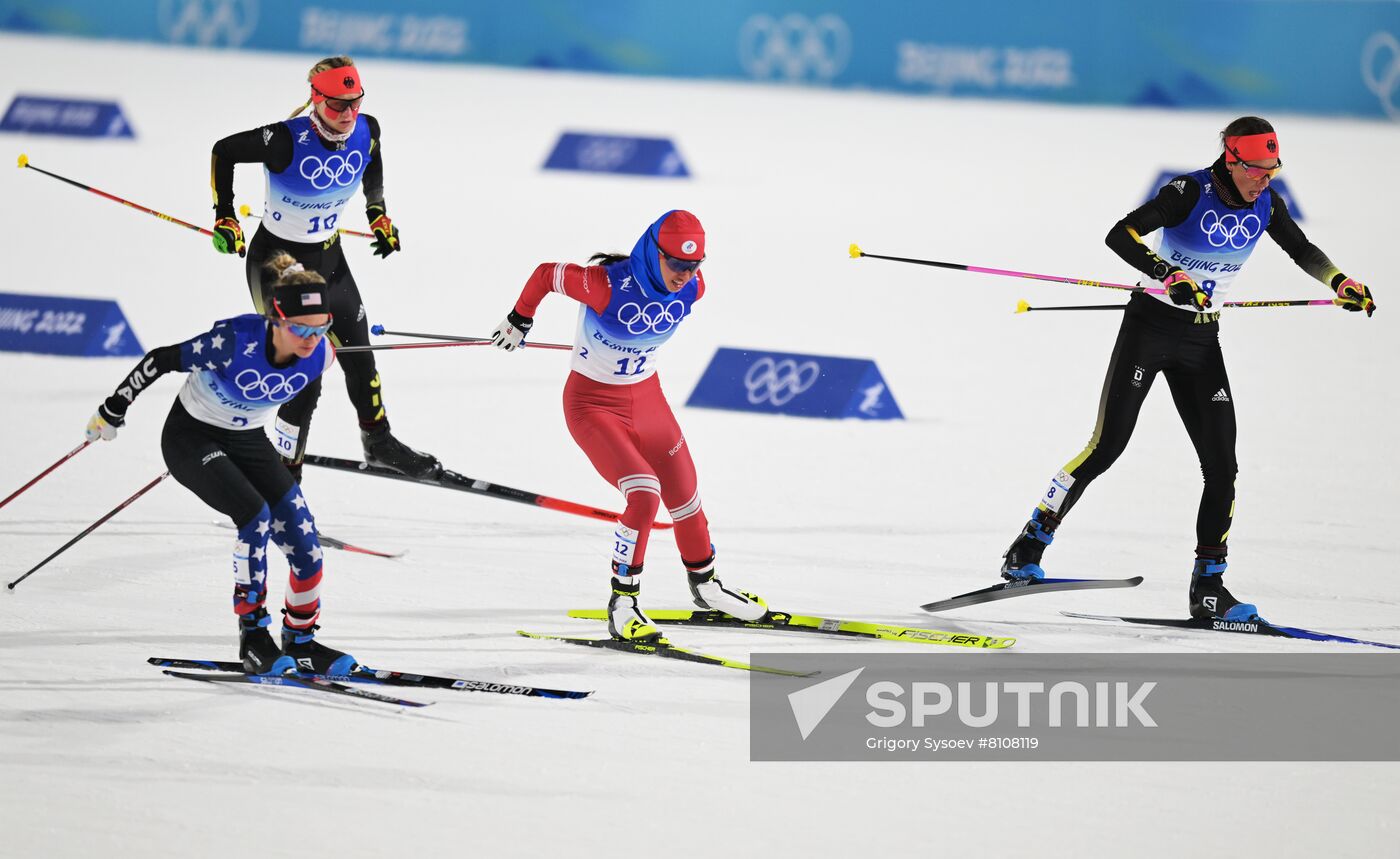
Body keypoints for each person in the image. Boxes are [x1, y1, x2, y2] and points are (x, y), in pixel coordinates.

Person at [999, 116, 1377, 621]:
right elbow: (1121, 234)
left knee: (1223, 467)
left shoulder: (1266, 202)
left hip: (1202, 340)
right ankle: (1029, 544)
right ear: (1232, 158)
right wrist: (1167, 273)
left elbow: (1302, 249)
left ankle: (1209, 587)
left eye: (1273, 170)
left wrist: (1339, 281)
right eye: (1258, 170)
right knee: (1106, 446)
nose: (1266, 179)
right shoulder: (1188, 191)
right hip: (1149, 330)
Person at [489, 210, 767, 641]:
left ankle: (707, 586)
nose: (685, 274)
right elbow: (546, 274)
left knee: (686, 497)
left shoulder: (695, 288)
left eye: (694, 265)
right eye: (676, 263)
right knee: (643, 494)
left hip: (647, 401)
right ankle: (623, 602)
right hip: (592, 405)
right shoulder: (602, 285)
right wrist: (520, 318)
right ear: (653, 252)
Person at [84, 253, 356, 675]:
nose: (310, 339)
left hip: (248, 439)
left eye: (321, 329)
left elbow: (304, 399)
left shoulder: (321, 355)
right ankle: (254, 636)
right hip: (191, 438)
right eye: (300, 328)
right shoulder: (233, 341)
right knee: (254, 515)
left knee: (305, 541)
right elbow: (159, 359)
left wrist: (292, 458)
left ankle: (302, 640)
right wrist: (113, 408)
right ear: (275, 320)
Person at [208, 55, 439, 482]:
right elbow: (223, 151)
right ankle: (283, 473)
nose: (348, 114)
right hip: (279, 264)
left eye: (355, 102)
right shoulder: (283, 139)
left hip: (329, 259)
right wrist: (225, 215)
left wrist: (378, 214)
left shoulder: (368, 128)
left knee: (358, 351)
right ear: (315, 100)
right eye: (337, 105)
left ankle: (379, 441)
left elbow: (372, 161)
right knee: (305, 370)